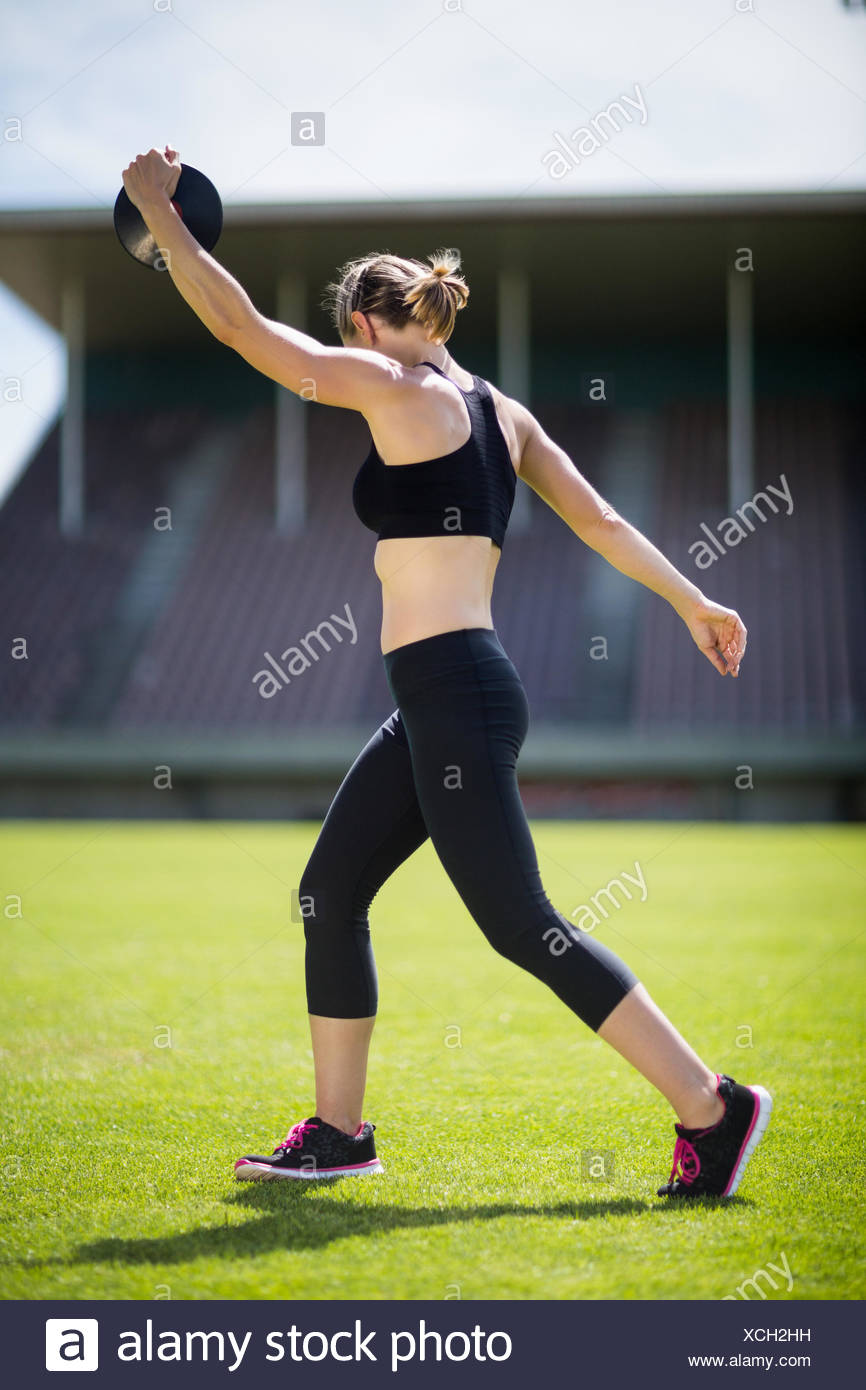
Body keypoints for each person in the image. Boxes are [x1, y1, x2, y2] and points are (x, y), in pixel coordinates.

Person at [122, 147, 772, 1199]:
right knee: (330, 889)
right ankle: (338, 1133)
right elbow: (598, 519)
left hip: (455, 692)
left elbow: (241, 330)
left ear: (367, 326)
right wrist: (690, 599)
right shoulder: (501, 410)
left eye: (348, 341)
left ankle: (711, 1103)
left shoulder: (392, 385)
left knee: (521, 922)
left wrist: (161, 216)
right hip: (446, 694)